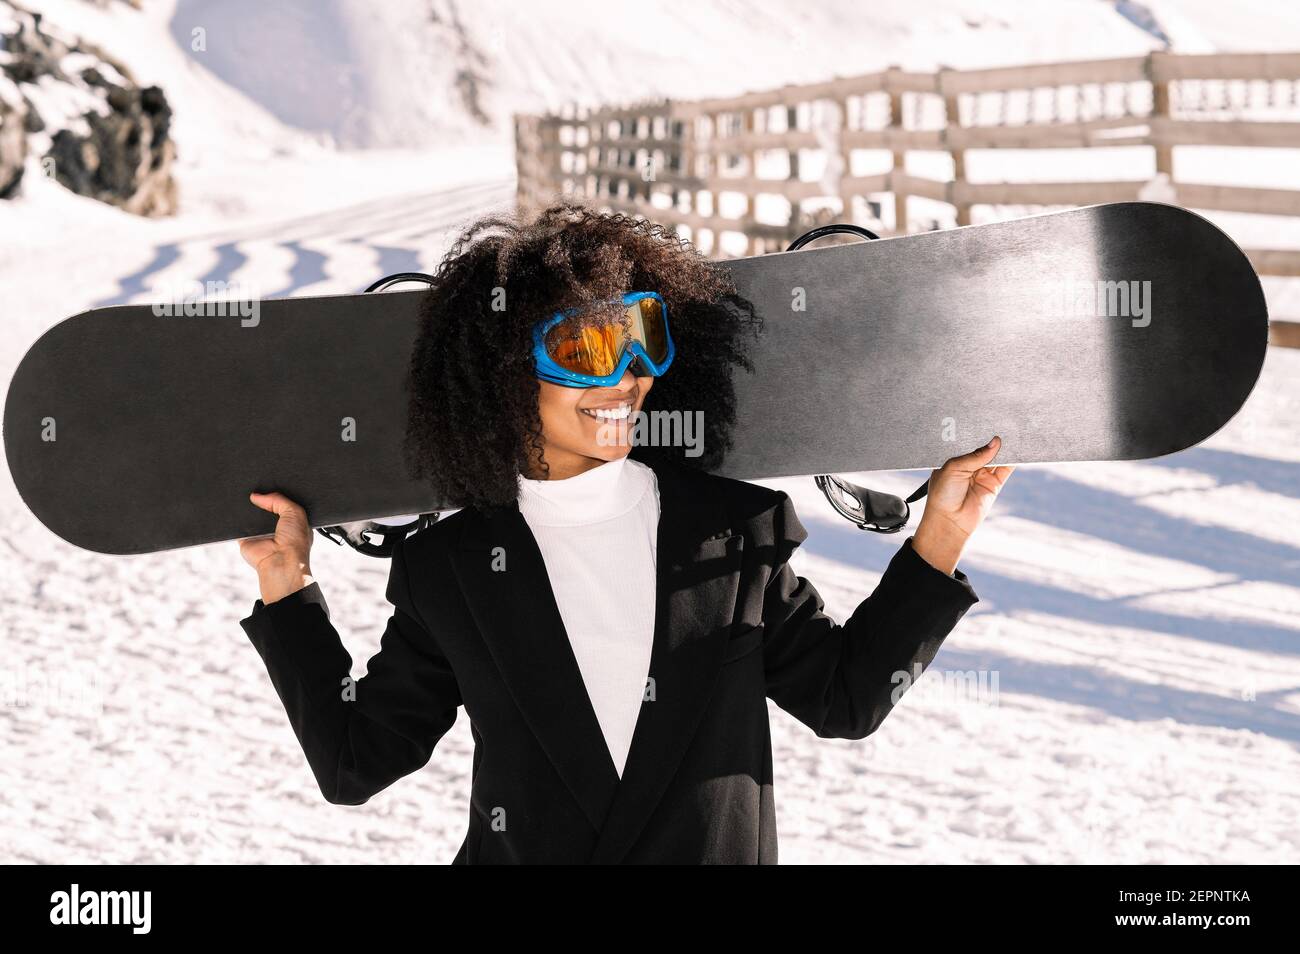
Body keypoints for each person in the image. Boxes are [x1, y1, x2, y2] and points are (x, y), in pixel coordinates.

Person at [238, 202, 1013, 864]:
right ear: (508, 371)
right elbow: (357, 762)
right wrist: (288, 591)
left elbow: (845, 698)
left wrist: (941, 532)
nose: (627, 377)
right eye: (586, 351)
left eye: (641, 342)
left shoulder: (733, 530)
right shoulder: (451, 567)